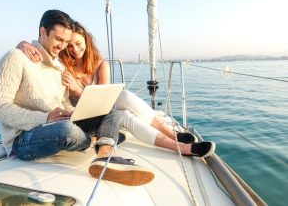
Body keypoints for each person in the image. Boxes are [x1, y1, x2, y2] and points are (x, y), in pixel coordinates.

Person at [0, 9, 154, 186]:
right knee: (67, 131)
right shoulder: (16, 57)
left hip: (56, 124)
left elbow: (65, 103)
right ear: (42, 32)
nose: (62, 46)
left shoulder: (59, 66)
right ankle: (100, 139)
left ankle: (105, 156)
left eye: (65, 42)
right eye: (58, 39)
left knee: (109, 113)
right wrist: (44, 117)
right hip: (23, 138)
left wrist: (76, 113)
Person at [17, 20, 216, 158]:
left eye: (78, 43)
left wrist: (79, 89)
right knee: (125, 117)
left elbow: (102, 100)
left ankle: (173, 136)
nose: (74, 49)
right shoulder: (61, 62)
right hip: (77, 115)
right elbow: (42, 49)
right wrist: (22, 43)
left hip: (97, 112)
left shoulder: (99, 64)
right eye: (69, 46)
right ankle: (181, 147)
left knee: (126, 98)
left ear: (86, 40)